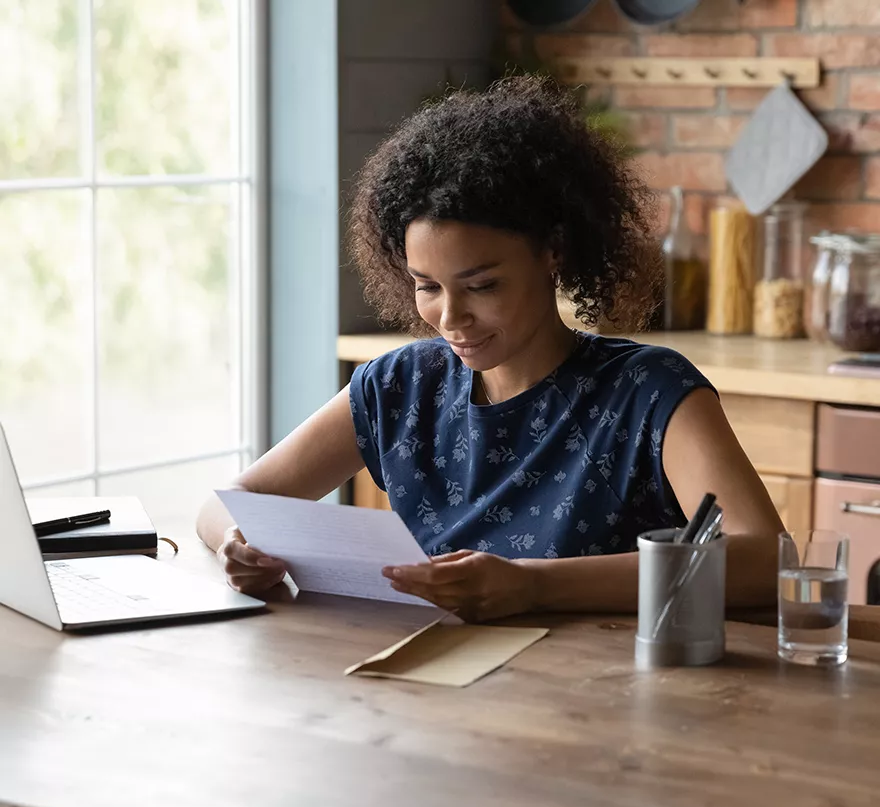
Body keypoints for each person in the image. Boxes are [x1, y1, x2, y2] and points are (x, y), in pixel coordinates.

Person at [196, 75, 783, 621]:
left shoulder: (648, 391)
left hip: (601, 701)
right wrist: (234, 544)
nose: (450, 319)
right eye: (427, 287)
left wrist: (534, 585)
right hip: (435, 694)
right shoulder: (399, 387)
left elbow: (764, 559)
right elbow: (229, 502)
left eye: (482, 286)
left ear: (553, 251)